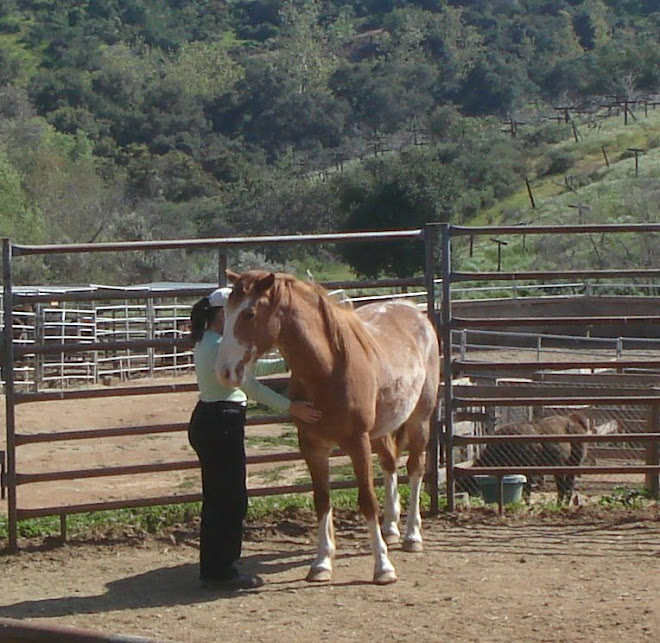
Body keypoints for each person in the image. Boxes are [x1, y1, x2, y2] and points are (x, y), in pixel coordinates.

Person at [188, 286, 322, 590]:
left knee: (218, 497)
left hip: (212, 418)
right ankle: (222, 569)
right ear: (223, 314)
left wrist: (290, 362)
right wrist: (291, 407)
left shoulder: (211, 343)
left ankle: (214, 566)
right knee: (231, 499)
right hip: (222, 420)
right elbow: (249, 384)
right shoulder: (218, 346)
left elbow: (252, 366)